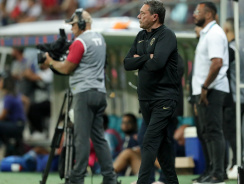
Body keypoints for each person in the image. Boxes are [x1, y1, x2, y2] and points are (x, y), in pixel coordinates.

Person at [43, 8, 118, 184]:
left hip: (84, 93)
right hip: (99, 92)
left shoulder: (80, 42)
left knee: (81, 137)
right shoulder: (100, 39)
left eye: (74, 25)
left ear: (82, 24)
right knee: (99, 137)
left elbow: (67, 68)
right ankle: (110, 176)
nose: (72, 29)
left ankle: (77, 177)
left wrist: (50, 62)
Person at [123, 0, 179, 183]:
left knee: (148, 141)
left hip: (163, 99)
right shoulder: (140, 35)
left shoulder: (167, 35)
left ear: (155, 16)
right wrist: (149, 56)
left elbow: (158, 64)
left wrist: (141, 59)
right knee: (162, 146)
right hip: (145, 100)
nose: (139, 16)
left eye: (143, 13)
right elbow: (127, 63)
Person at [192, 2, 229, 184]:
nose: (193, 15)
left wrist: (205, 87)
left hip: (212, 89)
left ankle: (218, 174)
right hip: (205, 90)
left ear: (208, 15)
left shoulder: (214, 34)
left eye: (197, 12)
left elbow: (217, 63)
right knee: (206, 132)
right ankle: (211, 171)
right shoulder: (207, 33)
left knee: (214, 131)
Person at [222, 17, 244, 178]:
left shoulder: (231, 49)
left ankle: (236, 163)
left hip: (235, 97)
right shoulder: (240, 47)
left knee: (231, 131)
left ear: (226, 30)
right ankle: (236, 162)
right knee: (234, 131)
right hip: (243, 96)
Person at [0, 73, 29, 156]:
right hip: (20, 124)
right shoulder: (16, 94)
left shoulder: (8, 97)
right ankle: (8, 146)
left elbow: (3, 116)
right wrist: (24, 115)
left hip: (16, 126)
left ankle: (5, 147)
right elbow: (27, 101)